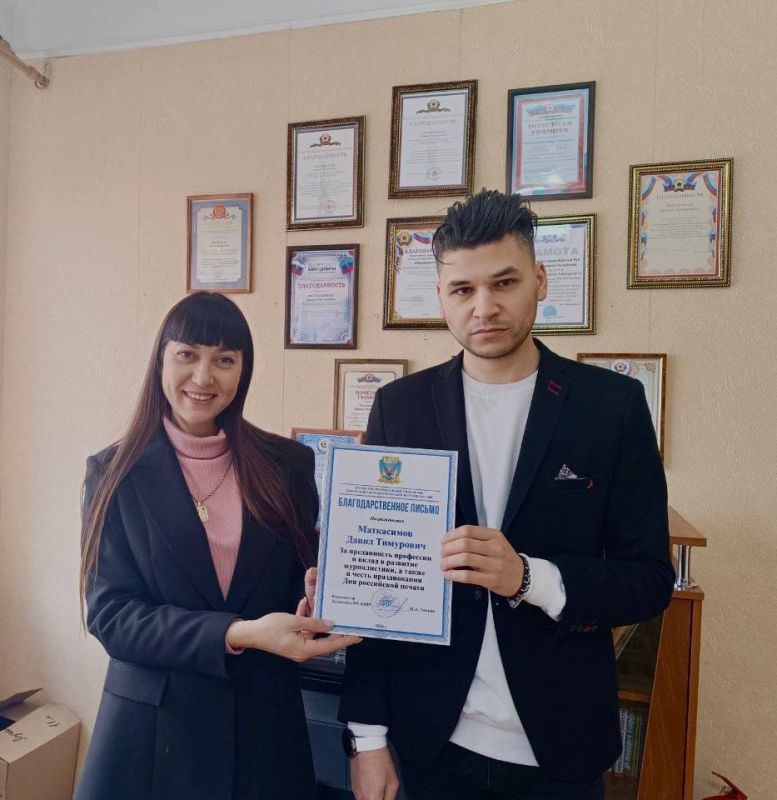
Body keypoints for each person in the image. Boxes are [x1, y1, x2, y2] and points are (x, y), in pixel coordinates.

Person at [339, 189, 675, 800]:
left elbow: (649, 579)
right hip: (430, 742)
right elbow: (373, 589)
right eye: (462, 289)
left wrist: (528, 577)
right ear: (441, 297)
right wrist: (367, 739)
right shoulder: (400, 407)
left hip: (560, 747)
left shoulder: (611, 406)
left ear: (539, 281)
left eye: (504, 282)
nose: (484, 307)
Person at [75, 292, 360, 800]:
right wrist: (239, 632)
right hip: (153, 736)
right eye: (187, 354)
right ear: (161, 361)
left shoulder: (286, 465)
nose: (203, 377)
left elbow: (299, 579)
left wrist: (318, 593)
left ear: (243, 371)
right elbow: (112, 616)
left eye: (224, 360)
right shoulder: (114, 474)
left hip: (263, 727)